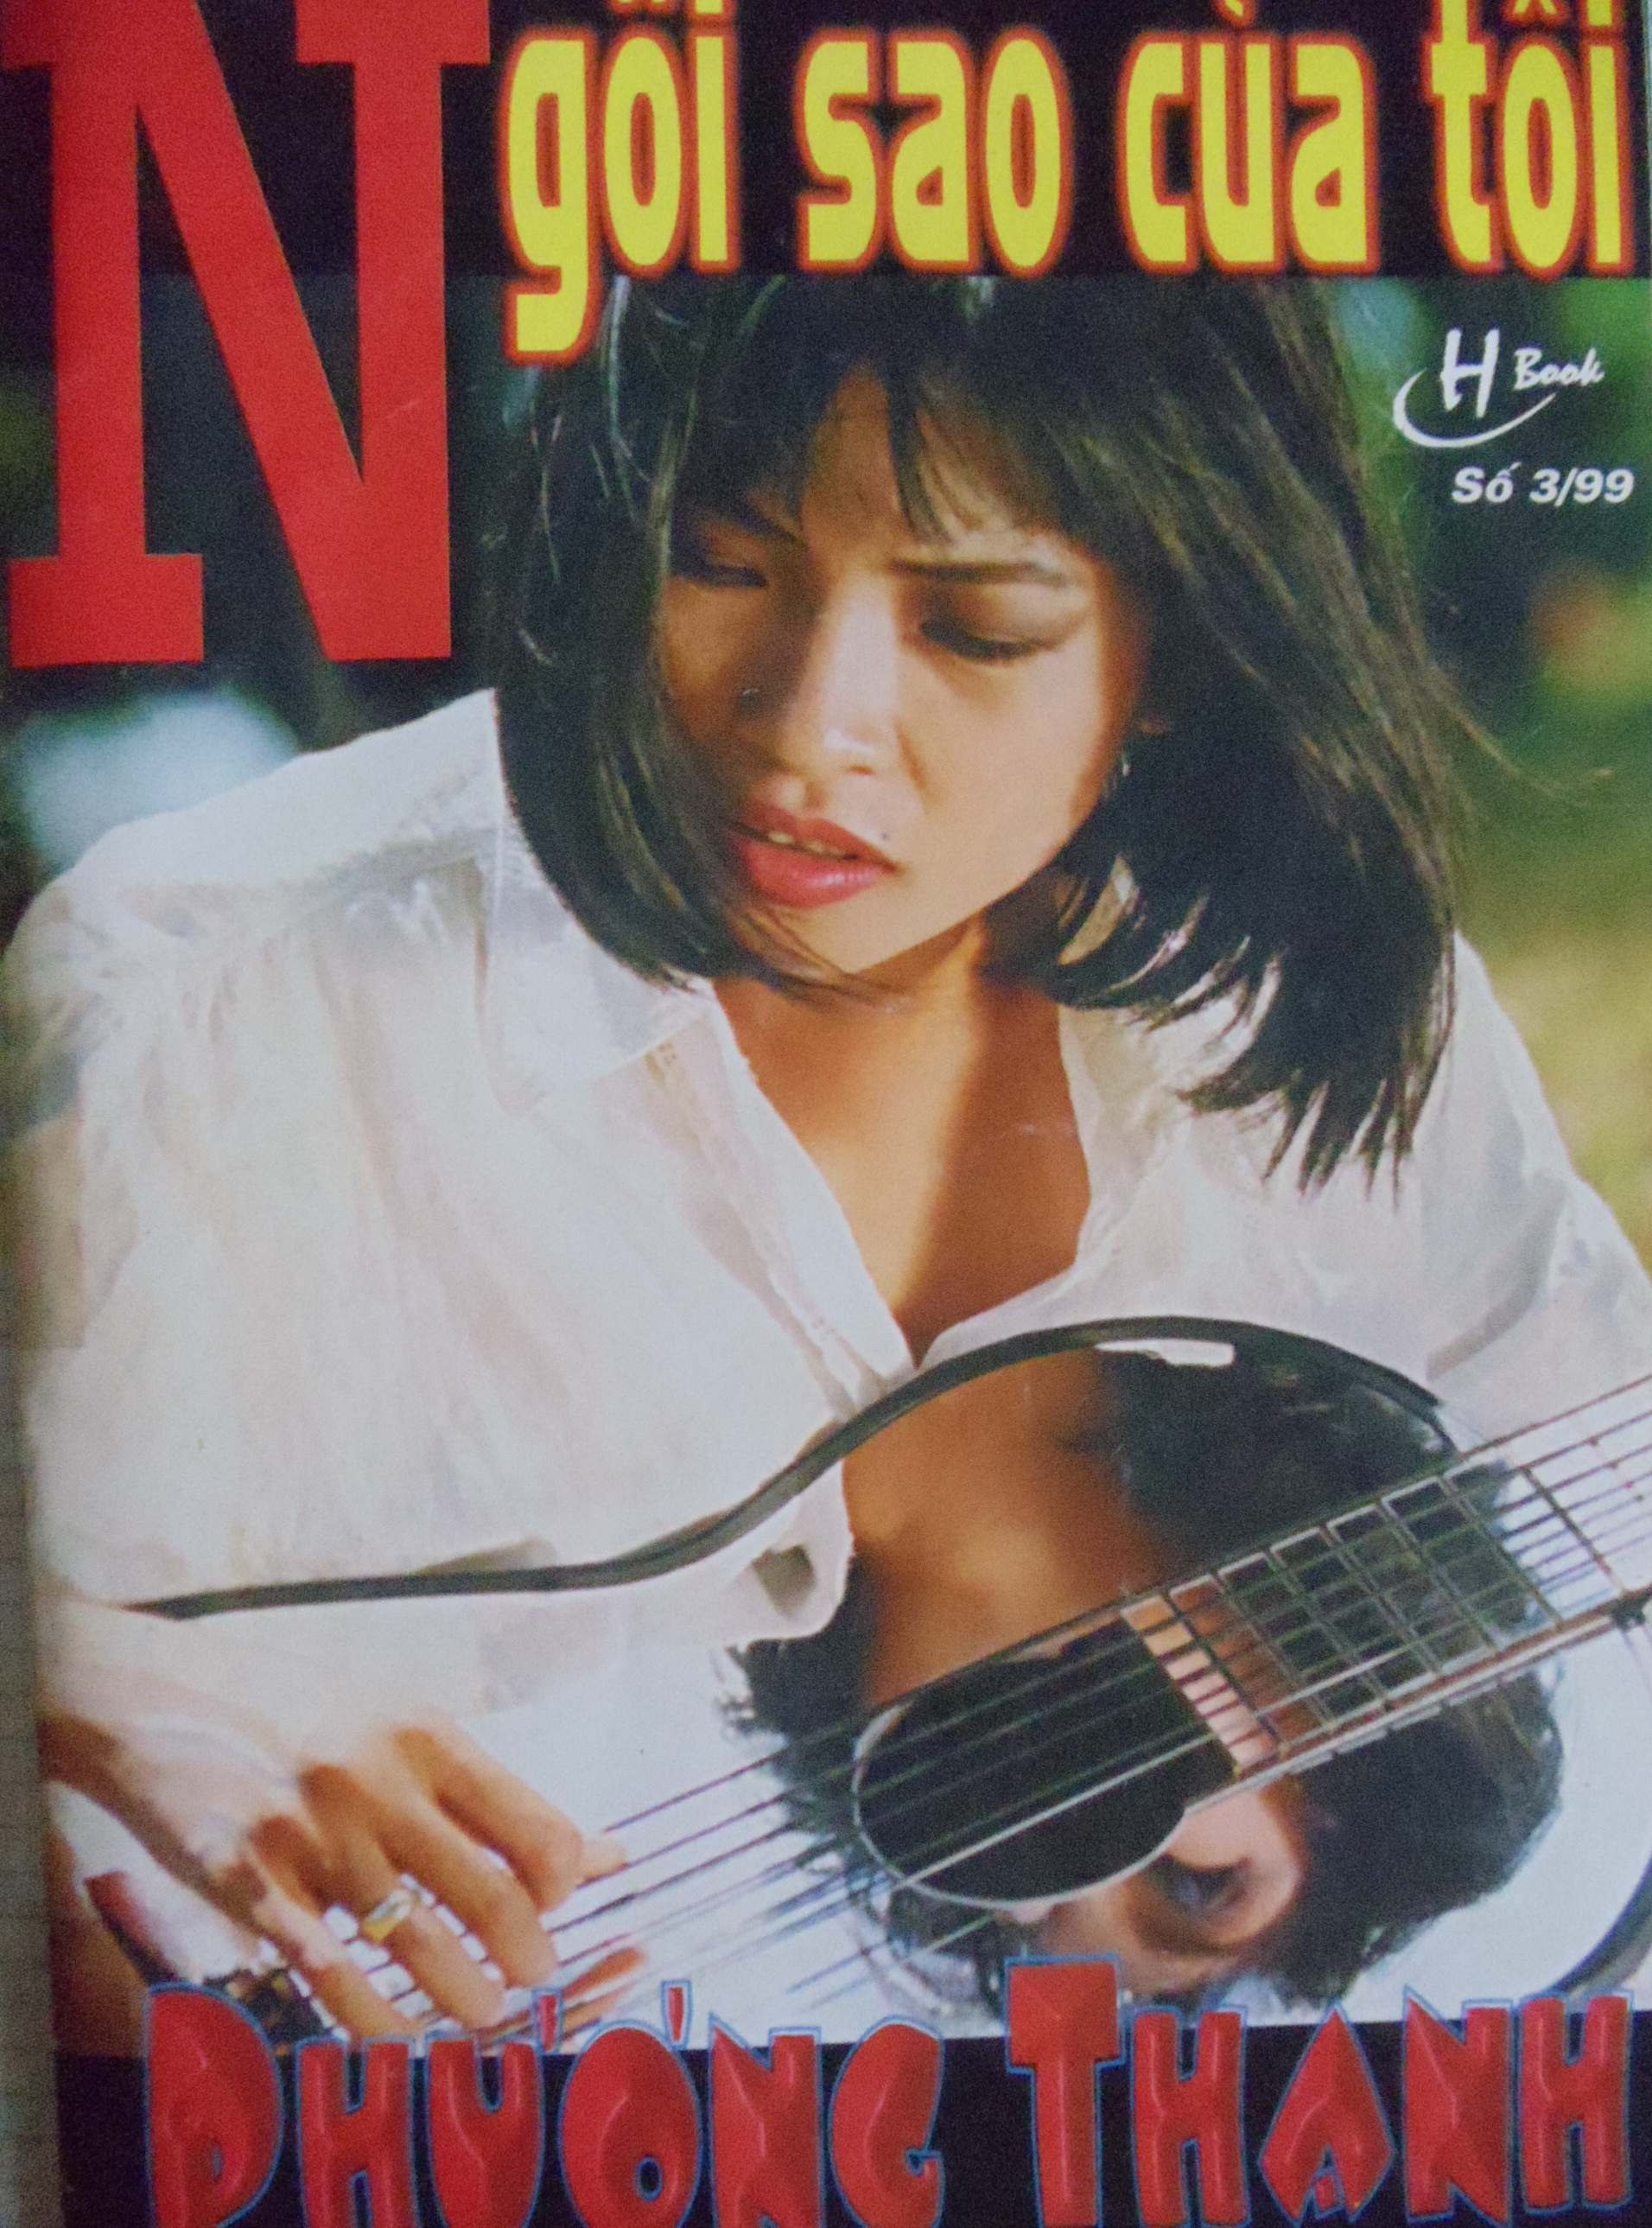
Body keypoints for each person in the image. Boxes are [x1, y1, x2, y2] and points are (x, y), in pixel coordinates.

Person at [7, 275, 1649, 2045]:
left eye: (976, 628)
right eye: (719, 560)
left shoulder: (1307, 1024)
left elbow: (1596, 1479)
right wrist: (113, 1685)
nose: (804, 725)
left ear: (1172, 651)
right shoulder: (225, 1005)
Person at [739, 1340, 1561, 2014]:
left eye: (1017, 1912)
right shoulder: (1208, 1227)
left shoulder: (690, 1548)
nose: (1035, 1871)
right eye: (1196, 1889)